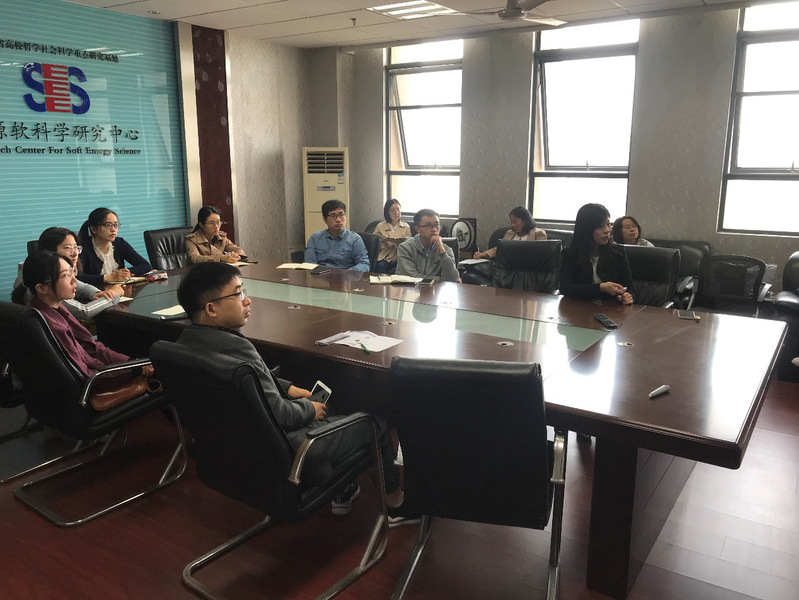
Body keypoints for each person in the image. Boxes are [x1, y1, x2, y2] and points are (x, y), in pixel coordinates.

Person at [175, 262, 412, 524]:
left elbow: (251, 381)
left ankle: (342, 488)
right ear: (211, 309)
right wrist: (309, 409)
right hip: (292, 453)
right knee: (375, 423)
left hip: (234, 455)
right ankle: (395, 504)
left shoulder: (186, 345)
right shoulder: (238, 349)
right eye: (238, 293)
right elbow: (281, 415)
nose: (247, 300)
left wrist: (286, 387)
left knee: (333, 405)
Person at [12, 251, 152, 381]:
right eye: (65, 275)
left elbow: (91, 347)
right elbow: (86, 376)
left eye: (72, 272)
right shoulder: (51, 325)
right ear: (41, 288)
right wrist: (134, 370)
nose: (74, 280)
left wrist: (131, 362)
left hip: (95, 373)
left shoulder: (55, 308)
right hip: (90, 387)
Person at [12, 227, 123, 319]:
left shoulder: (53, 270)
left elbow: (83, 287)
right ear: (50, 252)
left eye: (76, 247)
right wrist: (113, 294)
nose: (75, 253)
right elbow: (84, 311)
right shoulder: (45, 280)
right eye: (68, 248)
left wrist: (95, 293)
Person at [559, 203, 634, 305]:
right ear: (586, 229)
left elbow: (630, 287)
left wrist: (628, 296)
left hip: (610, 310)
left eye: (608, 224)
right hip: (579, 309)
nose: (607, 230)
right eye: (600, 226)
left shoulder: (618, 252)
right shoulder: (570, 254)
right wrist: (600, 288)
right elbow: (565, 288)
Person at [78, 207, 152, 287]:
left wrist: (123, 273)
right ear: (93, 229)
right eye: (108, 225)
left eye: (115, 225)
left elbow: (146, 265)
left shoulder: (120, 243)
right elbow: (76, 277)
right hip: (94, 292)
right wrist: (107, 278)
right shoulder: (82, 248)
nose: (113, 229)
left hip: (118, 290)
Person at [304, 200, 370, 271]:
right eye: (333, 216)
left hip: (346, 276)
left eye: (341, 215)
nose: (338, 220)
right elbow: (309, 264)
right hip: (321, 276)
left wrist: (345, 274)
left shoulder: (354, 239)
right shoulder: (315, 238)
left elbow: (364, 265)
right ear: (325, 219)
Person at [396, 209, 460, 282]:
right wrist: (440, 279)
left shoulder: (446, 250)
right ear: (417, 229)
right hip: (411, 288)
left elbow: (452, 279)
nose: (434, 229)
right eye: (428, 226)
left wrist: (442, 253)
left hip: (437, 289)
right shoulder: (405, 248)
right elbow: (410, 277)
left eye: (436, 225)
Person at [473, 206, 547, 259]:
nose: (512, 225)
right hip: (508, 267)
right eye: (511, 221)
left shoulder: (538, 234)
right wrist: (482, 254)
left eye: (515, 221)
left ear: (525, 221)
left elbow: (541, 255)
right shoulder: (510, 233)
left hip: (528, 268)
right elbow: (499, 249)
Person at [374, 198, 411, 273]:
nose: (396, 213)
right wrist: (382, 241)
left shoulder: (406, 227)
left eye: (398, 210)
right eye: (392, 210)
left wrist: (399, 243)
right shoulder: (380, 226)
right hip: (383, 256)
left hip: (398, 256)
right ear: (387, 212)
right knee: (380, 266)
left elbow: (409, 245)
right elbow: (374, 243)